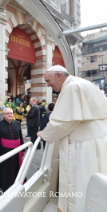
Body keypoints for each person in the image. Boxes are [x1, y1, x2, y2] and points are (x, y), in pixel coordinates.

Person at [37, 65, 107, 212]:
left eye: (48, 80)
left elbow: (62, 123)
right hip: (94, 141)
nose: (48, 85)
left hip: (82, 145)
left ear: (59, 76)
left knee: (79, 183)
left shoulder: (72, 87)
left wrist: (44, 135)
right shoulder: (84, 84)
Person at [0, 108, 25, 191]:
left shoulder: (17, 123)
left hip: (17, 150)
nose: (10, 114)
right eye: (7, 113)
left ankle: (17, 182)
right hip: (4, 151)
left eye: (11, 113)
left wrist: (23, 149)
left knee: (17, 167)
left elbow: (20, 137)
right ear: (3, 115)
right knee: (5, 169)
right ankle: (5, 185)